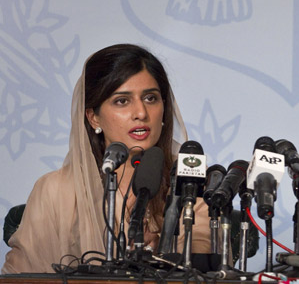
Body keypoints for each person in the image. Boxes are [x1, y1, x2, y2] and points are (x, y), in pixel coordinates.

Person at [2, 44, 212, 273]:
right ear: (94, 118)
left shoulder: (188, 180)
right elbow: (21, 275)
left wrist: (163, 255)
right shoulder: (55, 190)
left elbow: (202, 256)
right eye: (122, 101)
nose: (141, 113)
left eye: (151, 98)